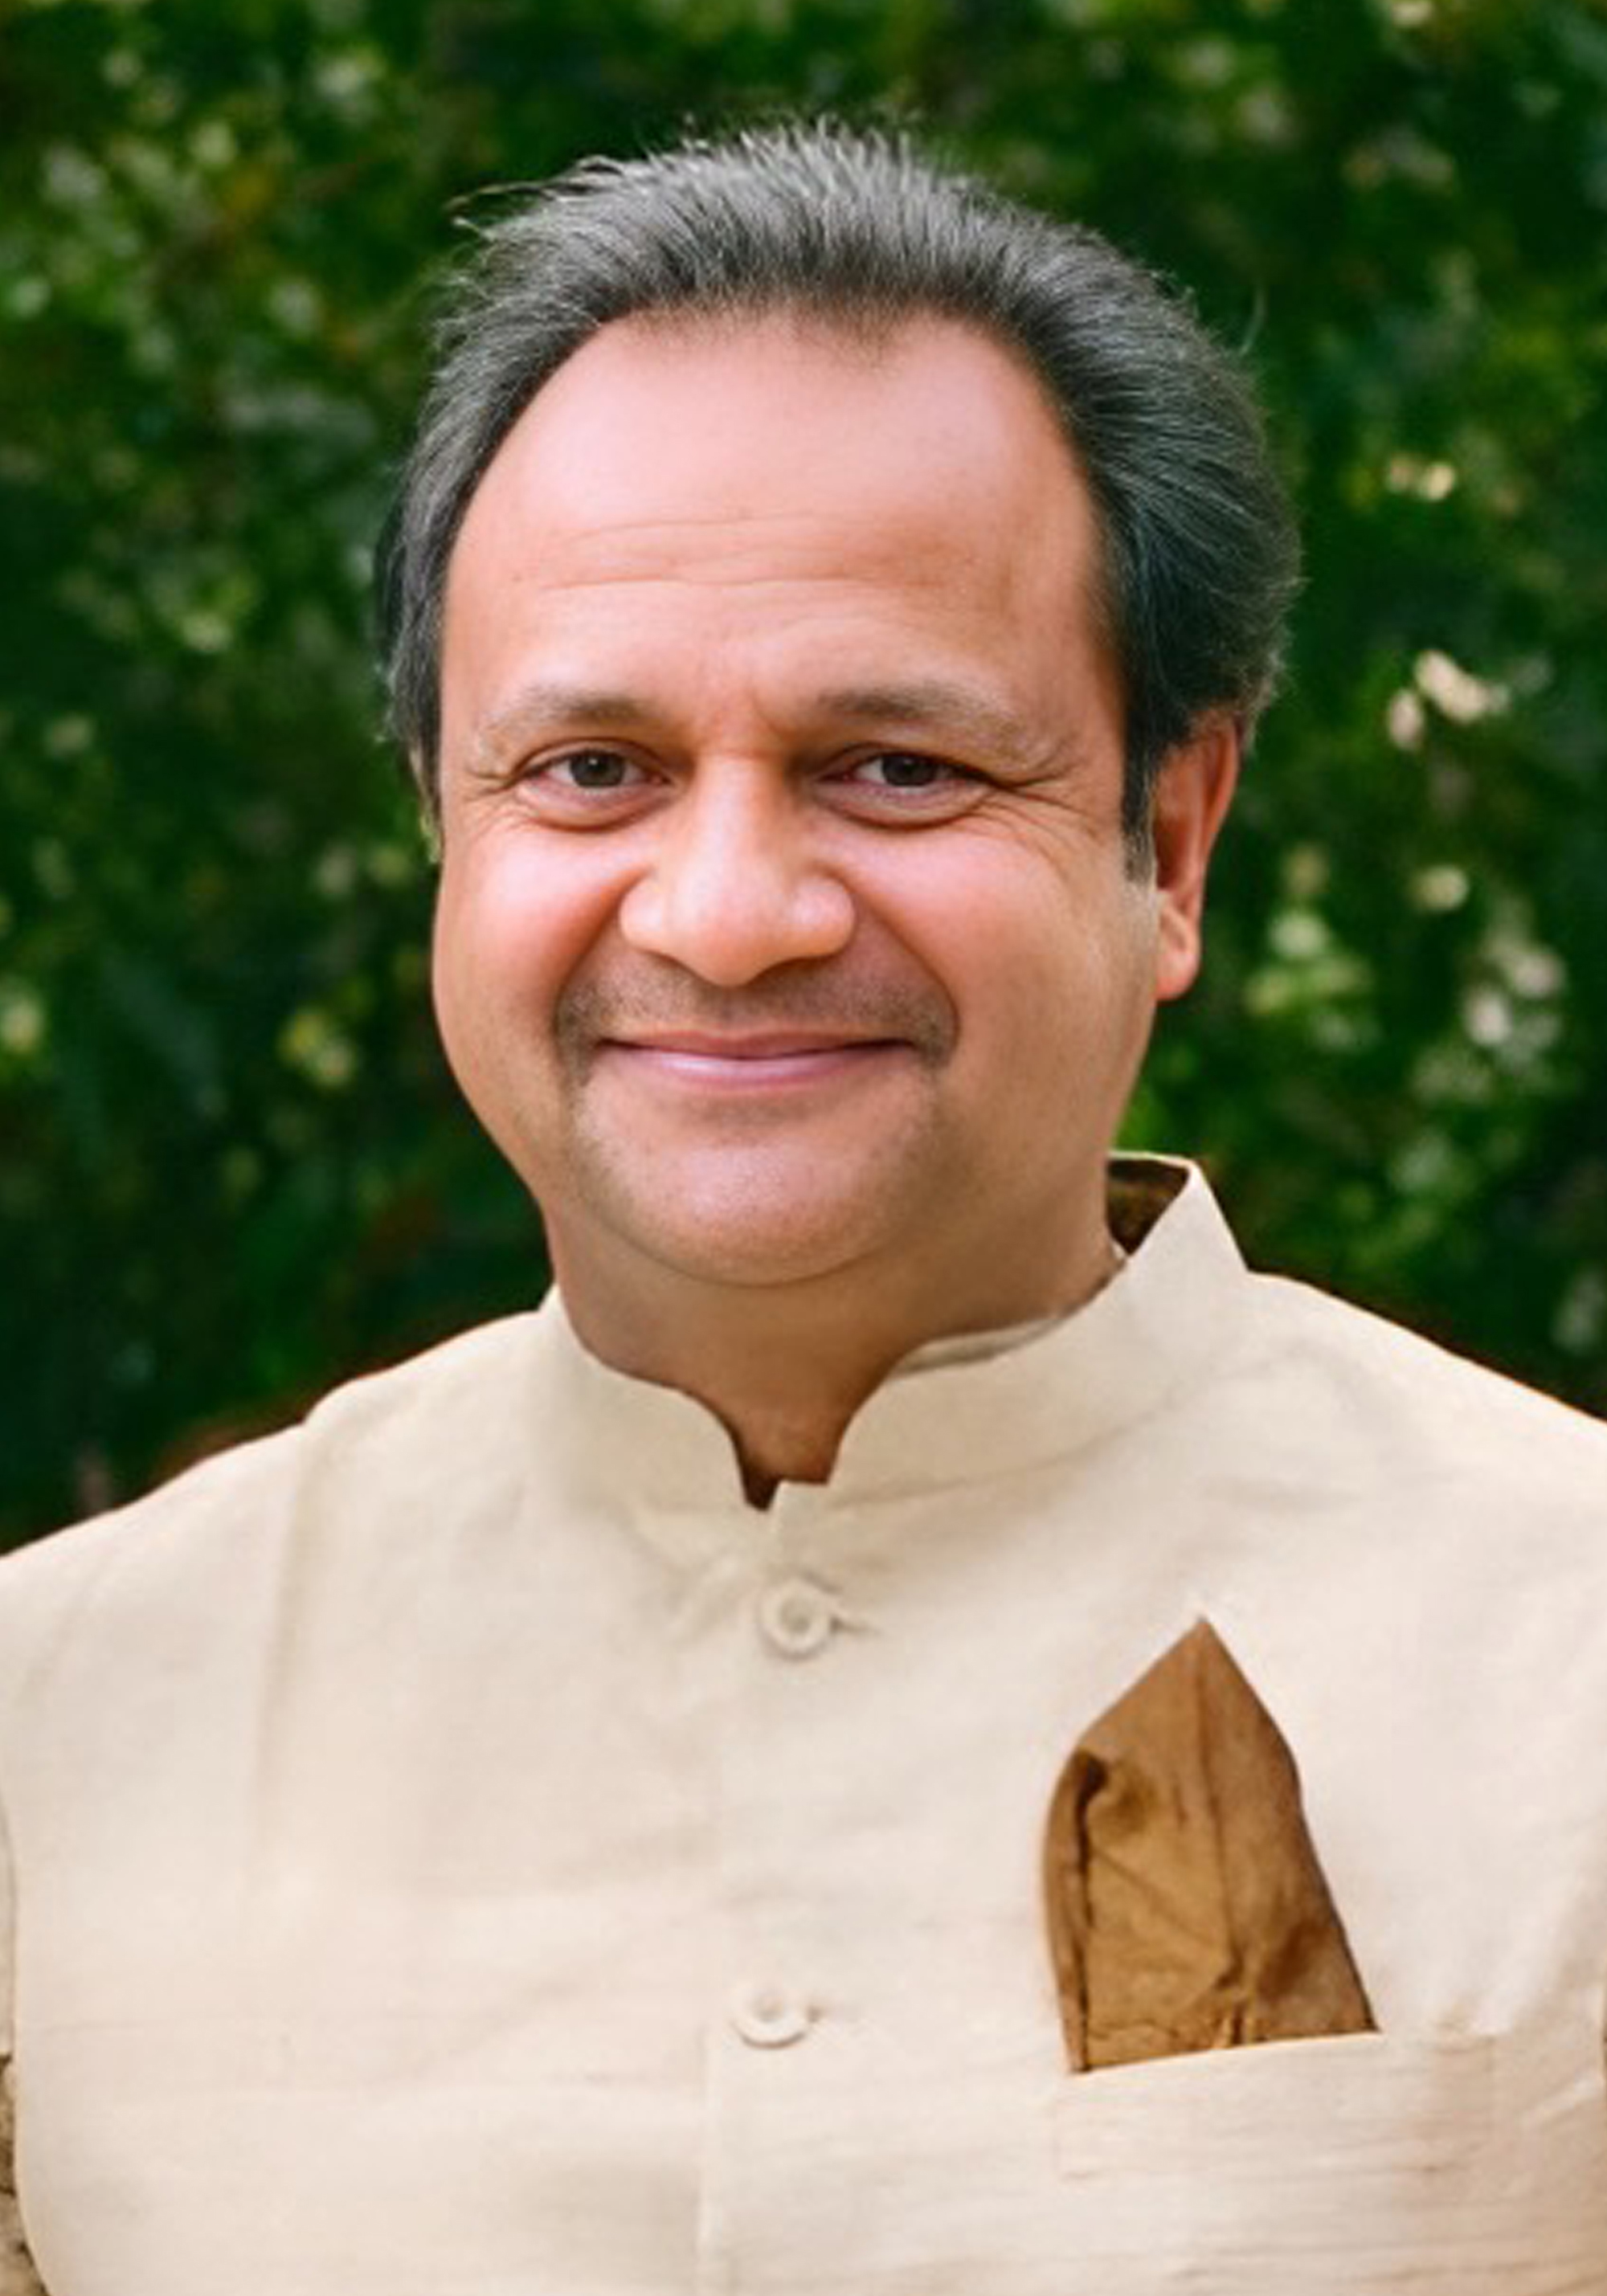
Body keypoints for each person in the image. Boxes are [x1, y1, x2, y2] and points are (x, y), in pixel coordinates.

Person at [2, 121, 1605, 2295]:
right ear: (446, 827)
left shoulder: (1566, 1654)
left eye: (898, 769)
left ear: (1174, 840)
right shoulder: (62, 1728)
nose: (731, 911)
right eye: (594, 772)